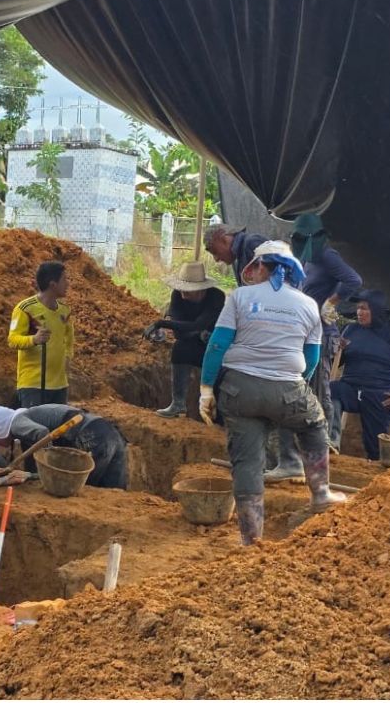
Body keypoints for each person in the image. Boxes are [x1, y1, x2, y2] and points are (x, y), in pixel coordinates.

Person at [198, 240, 346, 545]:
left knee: (247, 462)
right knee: (313, 425)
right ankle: (321, 493)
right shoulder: (308, 305)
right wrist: (293, 388)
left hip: (239, 391)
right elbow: (312, 358)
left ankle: (251, 540)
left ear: (260, 266)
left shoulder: (240, 297)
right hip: (288, 388)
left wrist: (206, 390)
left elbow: (217, 345)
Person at [266, 213, 363, 482]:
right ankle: (308, 448)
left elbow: (353, 280)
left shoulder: (326, 255)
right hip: (305, 333)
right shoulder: (306, 259)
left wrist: (332, 302)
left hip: (321, 334)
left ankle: (324, 446)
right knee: (304, 391)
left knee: (318, 390)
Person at [331, 289, 390, 460]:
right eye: (358, 308)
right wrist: (337, 350)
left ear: (376, 310)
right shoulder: (350, 330)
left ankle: (375, 468)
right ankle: (331, 444)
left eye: (364, 308)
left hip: (378, 396)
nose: (359, 312)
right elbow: (336, 362)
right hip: (350, 389)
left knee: (375, 448)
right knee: (331, 391)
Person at [0, 403, 128, 489]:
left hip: (90, 435)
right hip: (108, 432)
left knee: (80, 486)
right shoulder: (27, 425)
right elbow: (33, 467)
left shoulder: (17, 423)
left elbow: (42, 433)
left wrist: (49, 464)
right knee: (113, 492)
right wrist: (32, 475)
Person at [144, 261, 226, 418]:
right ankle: (178, 404)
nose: (183, 293)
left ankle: (216, 414)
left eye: (188, 290)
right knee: (180, 348)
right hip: (191, 340)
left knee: (218, 367)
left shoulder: (216, 297)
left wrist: (162, 323)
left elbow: (198, 324)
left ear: (201, 290)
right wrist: (194, 332)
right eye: (182, 289)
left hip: (214, 346)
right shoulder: (177, 295)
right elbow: (178, 331)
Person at [8, 261, 74, 408]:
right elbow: (12, 340)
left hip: (59, 385)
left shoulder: (65, 310)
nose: (68, 284)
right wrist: (34, 339)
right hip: (33, 386)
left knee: (58, 423)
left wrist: (68, 356)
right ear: (53, 284)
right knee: (34, 423)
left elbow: (69, 337)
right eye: (64, 279)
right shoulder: (25, 309)